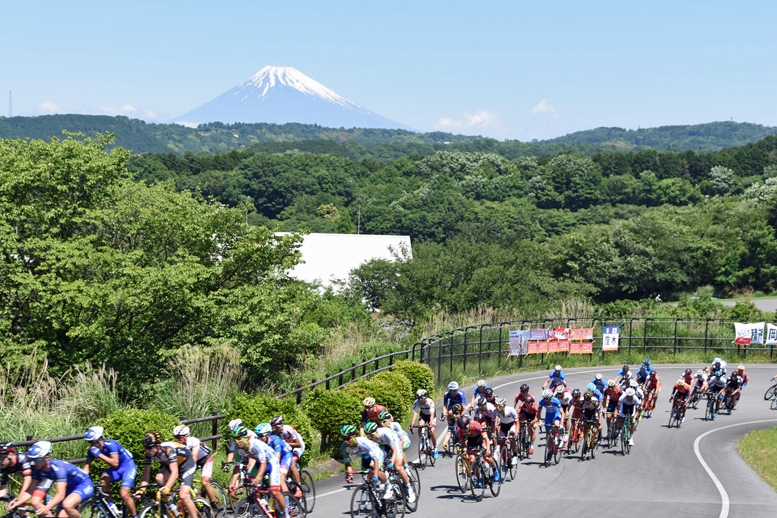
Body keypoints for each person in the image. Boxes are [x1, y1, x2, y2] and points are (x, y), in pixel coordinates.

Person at [14, 441, 93, 518]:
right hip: (69, 488)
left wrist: (47, 508)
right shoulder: (37, 469)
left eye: (37, 459)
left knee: (67, 505)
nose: (35, 463)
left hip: (83, 484)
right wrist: (17, 502)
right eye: (33, 460)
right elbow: (30, 490)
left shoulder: (58, 468)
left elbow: (60, 494)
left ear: (47, 457)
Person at [137, 431, 198, 518]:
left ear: (158, 445)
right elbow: (146, 473)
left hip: (187, 464)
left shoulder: (168, 450)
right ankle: (171, 505)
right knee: (159, 478)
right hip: (174, 464)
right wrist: (141, 489)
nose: (147, 450)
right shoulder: (148, 454)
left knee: (183, 496)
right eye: (145, 448)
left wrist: (168, 487)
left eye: (149, 448)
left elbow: (175, 473)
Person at [232, 426, 288, 518]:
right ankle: (266, 506)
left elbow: (264, 463)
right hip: (259, 463)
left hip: (271, 462)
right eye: (235, 439)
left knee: (274, 491)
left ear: (246, 438)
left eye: (238, 438)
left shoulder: (255, 444)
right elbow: (238, 466)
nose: (237, 442)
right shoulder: (239, 449)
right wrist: (233, 485)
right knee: (254, 490)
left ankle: (286, 514)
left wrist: (258, 478)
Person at [82, 426, 138, 518]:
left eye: (92, 442)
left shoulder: (111, 444)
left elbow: (115, 463)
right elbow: (86, 468)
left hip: (128, 466)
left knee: (124, 493)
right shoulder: (92, 450)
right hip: (117, 469)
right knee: (104, 479)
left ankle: (135, 516)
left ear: (99, 440)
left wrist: (99, 454)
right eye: (89, 442)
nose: (91, 445)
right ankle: (111, 506)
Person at [364, 422, 415, 504]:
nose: (370, 437)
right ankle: (389, 486)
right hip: (384, 446)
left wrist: (391, 461)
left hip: (394, 442)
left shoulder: (385, 433)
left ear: (376, 432)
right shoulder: (371, 438)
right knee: (375, 466)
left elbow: (394, 450)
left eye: (371, 435)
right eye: (368, 435)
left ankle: (410, 490)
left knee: (397, 467)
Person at [339, 425, 392, 500]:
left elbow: (375, 460)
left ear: (354, 436)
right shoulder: (344, 447)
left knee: (373, 469)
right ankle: (375, 505)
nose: (345, 441)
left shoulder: (363, 442)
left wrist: (376, 474)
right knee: (367, 483)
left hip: (377, 454)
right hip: (365, 458)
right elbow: (347, 463)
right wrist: (349, 475)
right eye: (343, 439)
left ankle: (389, 485)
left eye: (348, 438)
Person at [456, 416, 499, 484]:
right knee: (472, 461)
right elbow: (464, 444)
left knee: (486, 457)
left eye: (465, 428)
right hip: (471, 441)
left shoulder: (475, 425)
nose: (464, 431)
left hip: (480, 440)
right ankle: (479, 478)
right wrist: (464, 451)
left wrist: (488, 450)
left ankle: (495, 469)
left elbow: (486, 439)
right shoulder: (459, 431)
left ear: (469, 424)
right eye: (462, 429)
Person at [255, 423, 293, 497]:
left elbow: (277, 459)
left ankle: (287, 506)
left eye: (261, 436)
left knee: (280, 478)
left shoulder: (275, 440)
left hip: (285, 457)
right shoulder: (259, 444)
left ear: (268, 435)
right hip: (273, 460)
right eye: (258, 436)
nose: (259, 439)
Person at [270, 416, 305, 486]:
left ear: (280, 425)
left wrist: (286, 443)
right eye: (272, 427)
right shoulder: (273, 433)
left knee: (292, 463)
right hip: (287, 448)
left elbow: (299, 444)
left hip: (297, 446)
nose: (273, 428)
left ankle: (299, 487)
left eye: (274, 426)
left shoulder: (288, 429)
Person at [0, 442, 35, 507]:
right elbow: (3, 489)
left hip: (44, 476)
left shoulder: (22, 458)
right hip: (33, 479)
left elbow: (28, 480)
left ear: (10, 454)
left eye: (1, 458)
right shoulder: (4, 465)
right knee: (21, 504)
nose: (0, 461)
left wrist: (19, 500)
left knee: (35, 502)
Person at [408, 389, 438, 459]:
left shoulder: (430, 402)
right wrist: (412, 423)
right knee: (420, 425)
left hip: (431, 416)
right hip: (424, 415)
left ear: (425, 397)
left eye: (421, 399)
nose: (420, 400)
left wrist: (430, 423)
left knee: (432, 431)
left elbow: (432, 414)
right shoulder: (416, 402)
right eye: (418, 398)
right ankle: (422, 440)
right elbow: (415, 413)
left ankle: (435, 448)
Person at [440, 382, 466, 453]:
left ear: (457, 390)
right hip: (452, 404)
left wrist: (462, 414)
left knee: (459, 416)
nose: (452, 392)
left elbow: (463, 406)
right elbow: (445, 405)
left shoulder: (460, 394)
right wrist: (443, 415)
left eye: (454, 390)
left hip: (459, 405)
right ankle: (450, 426)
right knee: (449, 413)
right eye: (451, 390)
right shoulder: (446, 394)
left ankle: (460, 429)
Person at [494, 398, 519, 462]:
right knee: (500, 441)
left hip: (512, 425)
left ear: (503, 406)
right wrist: (492, 433)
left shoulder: (510, 410)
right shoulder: (495, 411)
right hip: (503, 426)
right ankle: (505, 459)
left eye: (500, 406)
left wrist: (516, 434)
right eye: (496, 406)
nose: (498, 408)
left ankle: (515, 455)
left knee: (511, 438)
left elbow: (517, 423)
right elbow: (492, 423)